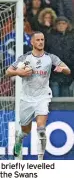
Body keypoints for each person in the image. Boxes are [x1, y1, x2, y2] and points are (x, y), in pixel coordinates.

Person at [6, 31, 71, 160]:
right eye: (38, 40)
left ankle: (40, 160)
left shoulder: (51, 58)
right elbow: (8, 71)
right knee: (25, 130)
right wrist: (19, 72)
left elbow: (68, 70)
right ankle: (19, 138)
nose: (41, 42)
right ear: (32, 42)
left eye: (42, 40)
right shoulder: (25, 58)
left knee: (41, 129)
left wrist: (62, 69)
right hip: (26, 98)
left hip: (43, 96)